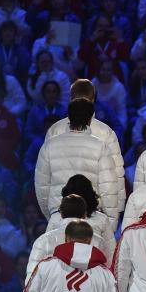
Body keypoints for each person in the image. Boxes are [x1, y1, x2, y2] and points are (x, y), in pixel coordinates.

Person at [45, 80, 125, 225]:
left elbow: (43, 182)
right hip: (93, 213)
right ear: (93, 99)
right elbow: (115, 178)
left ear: (70, 98)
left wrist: (50, 214)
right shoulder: (106, 132)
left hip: (62, 212)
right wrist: (112, 221)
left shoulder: (54, 131)